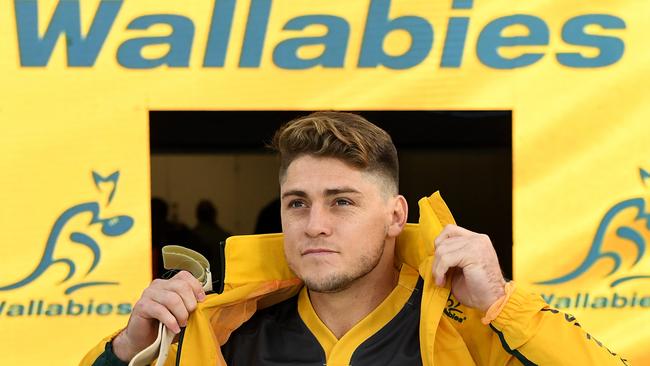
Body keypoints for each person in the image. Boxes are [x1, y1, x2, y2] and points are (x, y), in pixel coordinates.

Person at [82, 112, 627, 365]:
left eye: (342, 201)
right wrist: (130, 349)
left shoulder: (471, 327)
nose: (314, 224)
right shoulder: (223, 330)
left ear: (395, 215)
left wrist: (504, 305)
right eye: (298, 203)